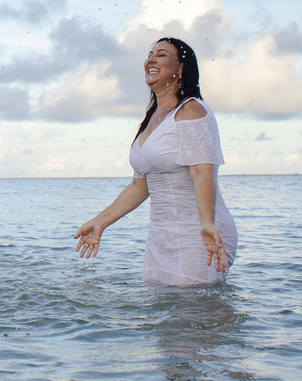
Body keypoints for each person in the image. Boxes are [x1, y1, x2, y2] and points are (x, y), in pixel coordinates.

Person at [73, 37, 237, 286]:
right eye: (149, 54)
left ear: (180, 68)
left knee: (198, 316)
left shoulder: (191, 110)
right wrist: (100, 222)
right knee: (163, 318)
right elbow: (140, 186)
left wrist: (206, 223)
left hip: (199, 232)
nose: (150, 59)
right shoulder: (150, 121)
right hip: (161, 236)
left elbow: (202, 170)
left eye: (161, 54)